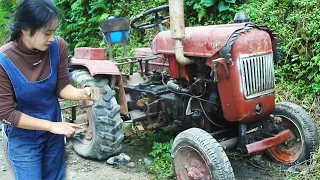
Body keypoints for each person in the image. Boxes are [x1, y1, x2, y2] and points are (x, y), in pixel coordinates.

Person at [0, 0, 91, 179]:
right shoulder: (4, 61)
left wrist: (81, 93)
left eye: (54, 32)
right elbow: (5, 114)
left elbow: (62, 86)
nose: (52, 38)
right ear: (24, 29)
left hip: (53, 134)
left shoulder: (58, 47)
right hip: (24, 137)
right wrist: (50, 126)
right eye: (47, 33)